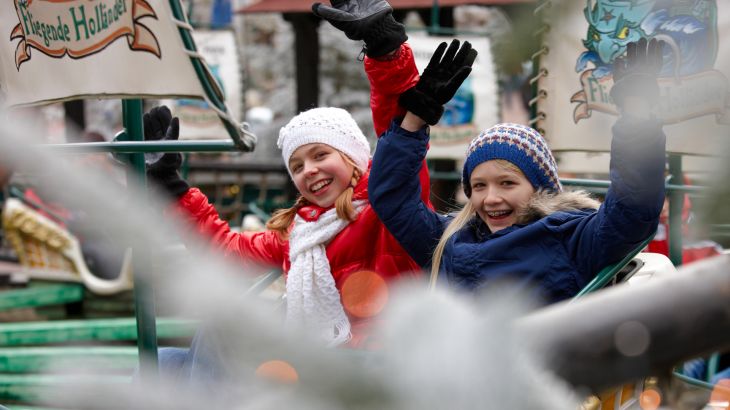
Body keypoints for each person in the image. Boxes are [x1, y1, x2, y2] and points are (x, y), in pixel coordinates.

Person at [144, 2, 476, 351]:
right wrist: (170, 186)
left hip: (383, 357)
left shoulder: (387, 208)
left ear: (353, 160)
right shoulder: (299, 233)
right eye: (298, 166)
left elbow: (398, 130)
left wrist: (385, 50)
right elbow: (227, 249)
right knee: (168, 357)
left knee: (214, 345)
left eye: (320, 155)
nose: (309, 170)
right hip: (322, 361)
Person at [368, 38, 666, 304]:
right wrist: (415, 119)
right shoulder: (449, 239)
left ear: (540, 187)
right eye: (479, 186)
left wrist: (637, 117)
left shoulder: (574, 237)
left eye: (507, 183)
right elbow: (394, 200)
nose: (491, 198)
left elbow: (633, 206)